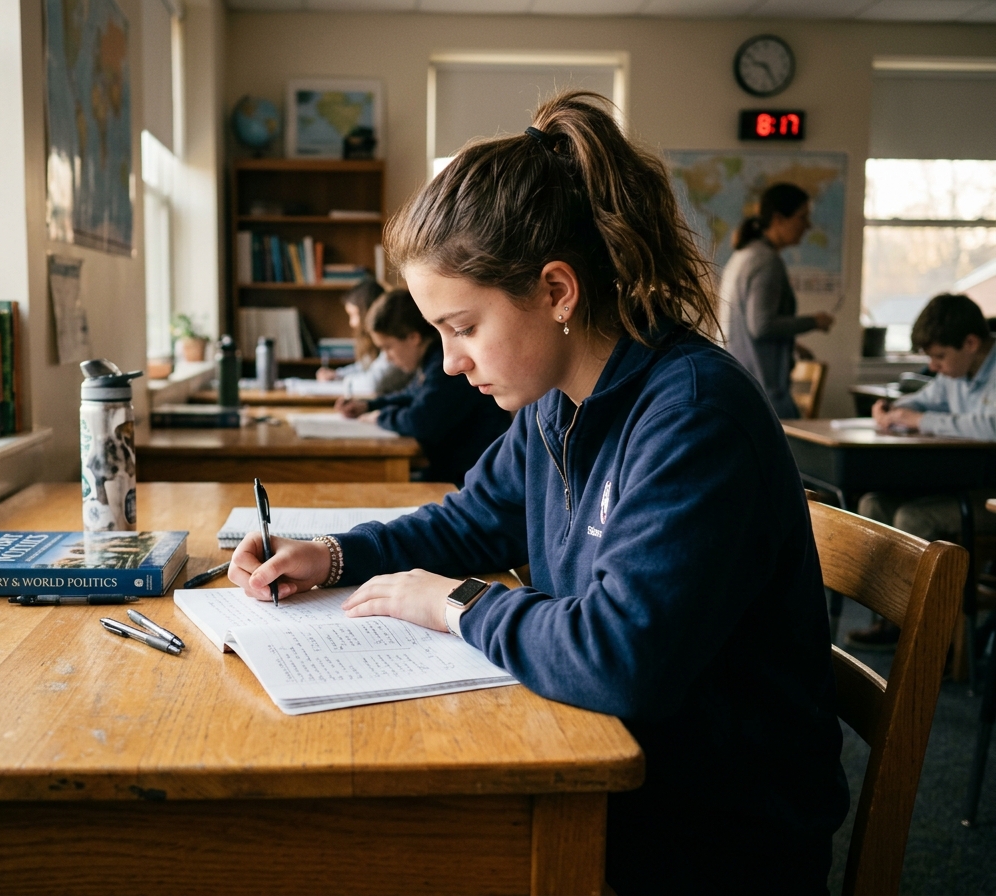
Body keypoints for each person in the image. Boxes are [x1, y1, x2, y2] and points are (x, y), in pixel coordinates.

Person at [230, 90, 848, 893]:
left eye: (463, 327)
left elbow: (621, 658)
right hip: (618, 772)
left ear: (558, 291)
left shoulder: (694, 417)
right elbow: (471, 521)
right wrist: (337, 554)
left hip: (711, 833)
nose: (449, 362)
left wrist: (452, 604)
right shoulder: (558, 403)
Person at [848, 292, 996, 649]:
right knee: (875, 505)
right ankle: (894, 621)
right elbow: (923, 398)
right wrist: (890, 407)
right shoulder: (955, 372)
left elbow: (991, 425)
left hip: (988, 498)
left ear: (971, 343)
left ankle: (929, 644)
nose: (934, 366)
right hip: (959, 485)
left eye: (939, 356)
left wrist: (920, 420)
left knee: (914, 518)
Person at [335, 288, 511, 486]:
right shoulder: (429, 362)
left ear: (413, 337)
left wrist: (380, 417)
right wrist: (369, 405)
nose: (387, 357)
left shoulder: (444, 370)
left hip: (469, 480)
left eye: (388, 347)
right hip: (453, 472)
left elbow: (419, 421)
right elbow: (411, 396)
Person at [722, 182, 835, 418]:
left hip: (736, 386)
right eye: (802, 217)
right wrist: (814, 321)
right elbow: (761, 326)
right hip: (763, 395)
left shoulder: (743, 256)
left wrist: (790, 343)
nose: (808, 226)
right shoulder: (766, 261)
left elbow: (744, 326)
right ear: (778, 219)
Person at [314, 276, 412, 396]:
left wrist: (345, 382)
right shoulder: (376, 346)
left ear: (367, 312)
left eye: (354, 315)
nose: (352, 323)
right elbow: (365, 366)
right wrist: (338, 375)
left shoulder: (395, 341)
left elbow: (373, 383)